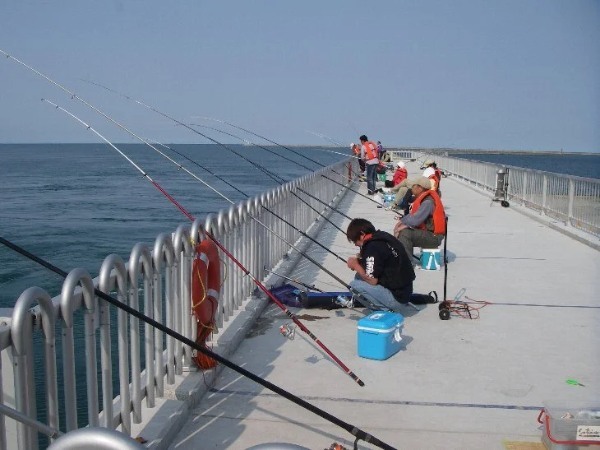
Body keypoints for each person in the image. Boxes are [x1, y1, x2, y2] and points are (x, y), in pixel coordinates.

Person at [345, 218, 415, 311]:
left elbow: (372, 280)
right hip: (406, 292)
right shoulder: (383, 237)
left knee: (354, 286)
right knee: (359, 276)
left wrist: (355, 265)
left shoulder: (372, 247)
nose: (355, 245)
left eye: (355, 241)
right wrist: (361, 261)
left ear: (362, 234)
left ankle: (383, 311)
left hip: (397, 300)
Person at [393, 176, 446, 259]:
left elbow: (415, 221)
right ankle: (404, 258)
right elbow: (413, 216)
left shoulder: (428, 202)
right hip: (430, 234)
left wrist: (400, 227)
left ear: (420, 188)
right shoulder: (424, 198)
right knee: (403, 230)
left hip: (434, 237)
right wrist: (400, 222)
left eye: (413, 186)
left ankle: (407, 263)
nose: (412, 189)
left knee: (405, 233)